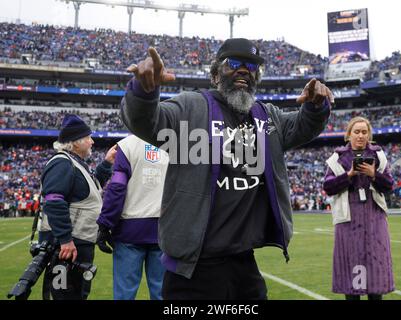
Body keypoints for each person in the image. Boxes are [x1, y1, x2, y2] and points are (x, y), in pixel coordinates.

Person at [122, 38, 334, 299]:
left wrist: (316, 107)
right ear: (214, 74)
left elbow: (303, 125)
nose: (244, 70)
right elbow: (145, 121)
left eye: (252, 66)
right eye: (234, 63)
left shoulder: (267, 117)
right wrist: (143, 93)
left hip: (244, 264)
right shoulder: (190, 108)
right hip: (193, 270)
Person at [39, 114, 116, 300]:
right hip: (67, 245)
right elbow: (54, 201)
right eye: (88, 138)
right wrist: (65, 239)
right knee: (66, 295)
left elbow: (88, 189)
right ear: (75, 143)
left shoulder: (73, 162)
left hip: (77, 242)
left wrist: (106, 163)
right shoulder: (62, 163)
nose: (92, 141)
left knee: (77, 293)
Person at [322, 116, 395, 300]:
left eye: (364, 132)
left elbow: (389, 186)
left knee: (375, 276)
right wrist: (350, 174)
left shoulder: (378, 155)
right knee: (352, 275)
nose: (360, 136)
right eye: (356, 132)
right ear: (348, 135)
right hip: (349, 220)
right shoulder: (337, 158)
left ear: (369, 134)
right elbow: (328, 187)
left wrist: (374, 174)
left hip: (374, 219)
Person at [96, 135, 168, 300]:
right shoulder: (174, 144)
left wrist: (105, 224)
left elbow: (117, 187)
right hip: (163, 229)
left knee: (124, 294)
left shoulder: (127, 145)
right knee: (162, 293)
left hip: (130, 230)